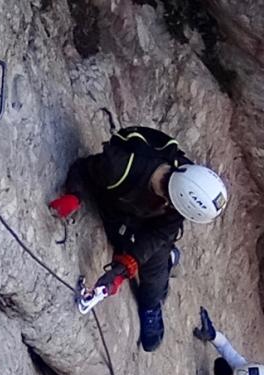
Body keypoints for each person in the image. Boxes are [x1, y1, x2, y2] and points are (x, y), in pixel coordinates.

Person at [49, 126, 228, 351]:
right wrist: (74, 196)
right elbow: (83, 169)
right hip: (118, 208)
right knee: (127, 243)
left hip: (142, 222)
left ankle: (151, 304)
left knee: (155, 260)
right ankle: (166, 261)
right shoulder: (119, 169)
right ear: (173, 198)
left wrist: (122, 270)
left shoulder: (184, 186)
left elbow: (159, 234)